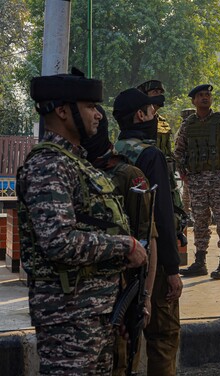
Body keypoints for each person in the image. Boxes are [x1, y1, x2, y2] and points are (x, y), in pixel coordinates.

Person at [16, 69, 147, 375]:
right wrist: (124, 246)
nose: (98, 115)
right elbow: (59, 241)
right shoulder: (49, 165)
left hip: (93, 314)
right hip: (69, 319)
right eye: (89, 107)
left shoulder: (75, 162)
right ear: (62, 111)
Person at [80, 106, 158, 376]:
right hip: (83, 302)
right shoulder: (74, 170)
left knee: (121, 362)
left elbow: (148, 241)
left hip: (122, 294)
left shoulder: (128, 175)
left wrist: (145, 297)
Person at [113, 88, 183, 375]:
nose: (156, 117)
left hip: (121, 259)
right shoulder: (150, 155)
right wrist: (172, 269)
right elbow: (162, 217)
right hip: (152, 261)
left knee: (125, 343)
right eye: (152, 111)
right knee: (163, 337)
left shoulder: (113, 151)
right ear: (141, 115)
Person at [175, 84, 220, 280]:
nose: (205, 98)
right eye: (200, 96)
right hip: (196, 181)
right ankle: (200, 262)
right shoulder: (188, 125)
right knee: (200, 222)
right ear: (193, 101)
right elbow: (178, 151)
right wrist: (183, 174)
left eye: (207, 95)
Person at [137, 79, 189, 247]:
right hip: (146, 174)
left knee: (173, 212)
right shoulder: (139, 118)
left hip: (165, 174)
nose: (160, 96)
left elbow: (168, 151)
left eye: (161, 92)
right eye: (155, 93)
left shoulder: (163, 122)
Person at [179, 108, 196, 223]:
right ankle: (187, 217)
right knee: (187, 198)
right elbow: (178, 152)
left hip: (194, 170)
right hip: (189, 170)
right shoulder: (184, 131)